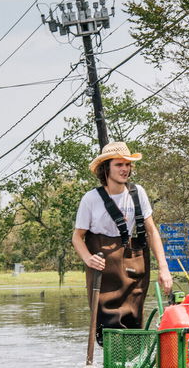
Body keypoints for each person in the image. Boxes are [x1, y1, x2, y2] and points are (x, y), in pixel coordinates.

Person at [72, 141, 174, 342]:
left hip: (132, 264)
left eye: (127, 165)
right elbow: (77, 236)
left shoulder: (138, 193)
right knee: (107, 327)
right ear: (106, 168)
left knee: (133, 321)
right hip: (104, 269)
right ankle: (112, 365)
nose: (125, 169)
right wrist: (87, 258)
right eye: (119, 165)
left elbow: (152, 231)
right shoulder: (91, 199)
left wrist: (164, 268)